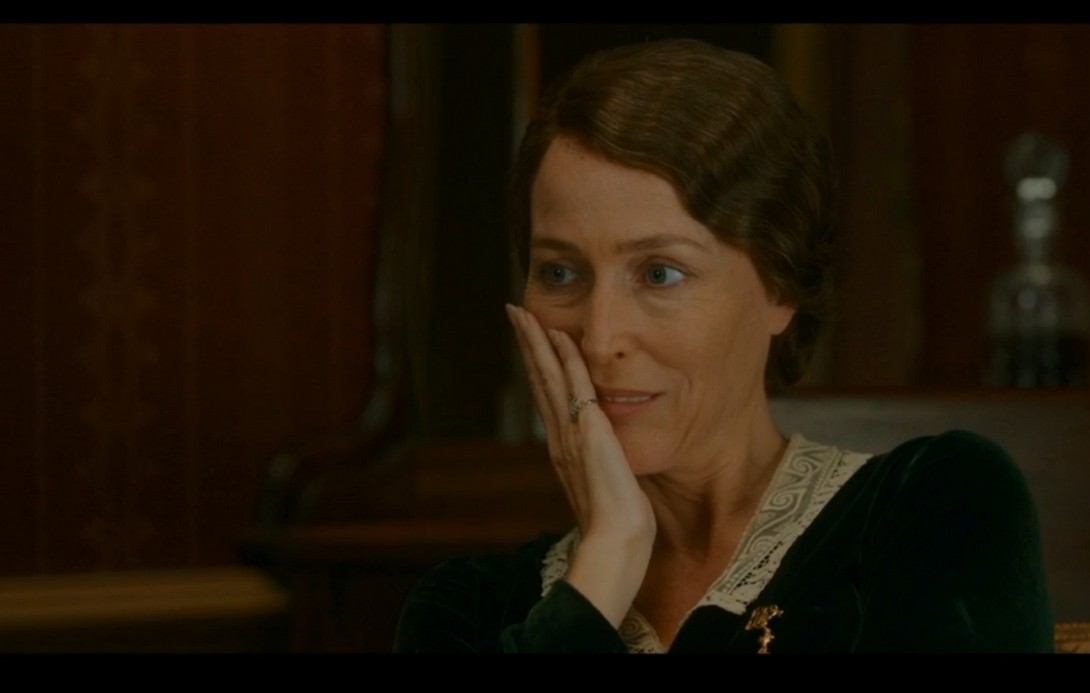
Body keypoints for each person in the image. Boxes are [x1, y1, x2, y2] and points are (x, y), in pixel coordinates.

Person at [395, 38, 1055, 653]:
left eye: (660, 273)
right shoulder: (469, 606)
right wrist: (607, 561)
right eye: (561, 273)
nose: (599, 339)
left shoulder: (932, 505)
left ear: (780, 286)